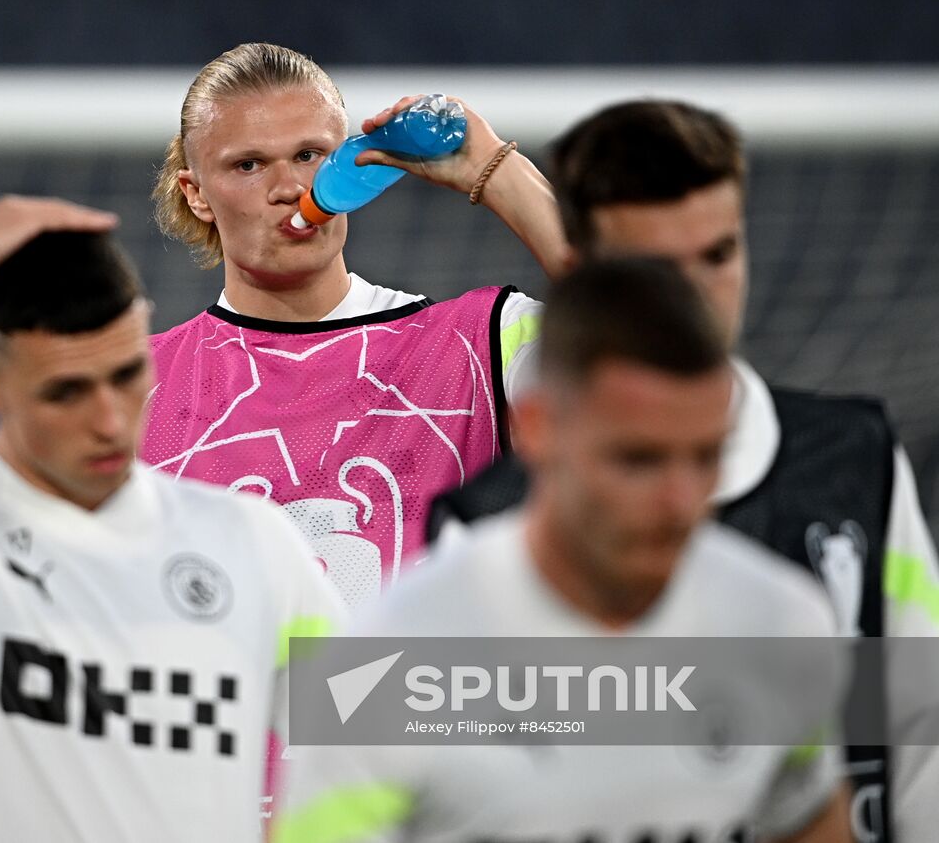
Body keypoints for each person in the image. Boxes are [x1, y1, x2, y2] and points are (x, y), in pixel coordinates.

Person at [433, 98, 939, 842]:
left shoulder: (854, 459)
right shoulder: (487, 523)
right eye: (659, 267)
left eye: (719, 253)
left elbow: (921, 732)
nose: (698, 292)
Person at [0, 194, 344, 841]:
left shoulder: (248, 540)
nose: (110, 421)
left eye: (125, 374)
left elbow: (374, 717)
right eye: (66, 392)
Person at [278, 258, 851, 843]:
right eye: (638, 459)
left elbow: (808, 818)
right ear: (536, 428)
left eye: (707, 457)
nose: (681, 501)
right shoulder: (383, 664)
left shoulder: (780, 622)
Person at [142, 42, 569, 608]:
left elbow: (657, 347)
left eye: (310, 155)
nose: (288, 188)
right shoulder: (135, 384)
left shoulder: (482, 339)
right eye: (248, 165)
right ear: (196, 194)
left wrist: (494, 168)